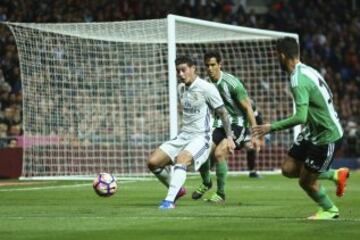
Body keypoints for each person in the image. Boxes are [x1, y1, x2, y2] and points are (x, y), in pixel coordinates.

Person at [252, 37, 350, 220]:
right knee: (288, 169)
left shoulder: (298, 80)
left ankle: (329, 209)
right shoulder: (308, 70)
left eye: (276, 56)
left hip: (326, 136)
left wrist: (270, 127)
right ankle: (336, 175)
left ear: (282, 56)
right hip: (313, 130)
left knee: (305, 181)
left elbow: (300, 117)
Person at [147, 55, 236, 210]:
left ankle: (169, 201)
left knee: (182, 159)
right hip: (184, 136)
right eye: (178, 71)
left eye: (184, 70)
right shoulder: (181, 88)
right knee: (153, 162)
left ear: (193, 68)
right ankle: (177, 188)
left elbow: (223, 112)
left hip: (202, 137)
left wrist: (229, 137)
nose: (181, 74)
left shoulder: (207, 88)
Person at [191, 51, 259, 203]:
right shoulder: (206, 85)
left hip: (237, 124)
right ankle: (207, 182)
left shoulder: (231, 83)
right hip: (218, 123)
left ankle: (221, 194)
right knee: (201, 152)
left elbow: (248, 107)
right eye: (207, 65)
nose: (210, 68)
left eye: (213, 65)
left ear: (220, 65)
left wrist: (255, 134)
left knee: (220, 153)